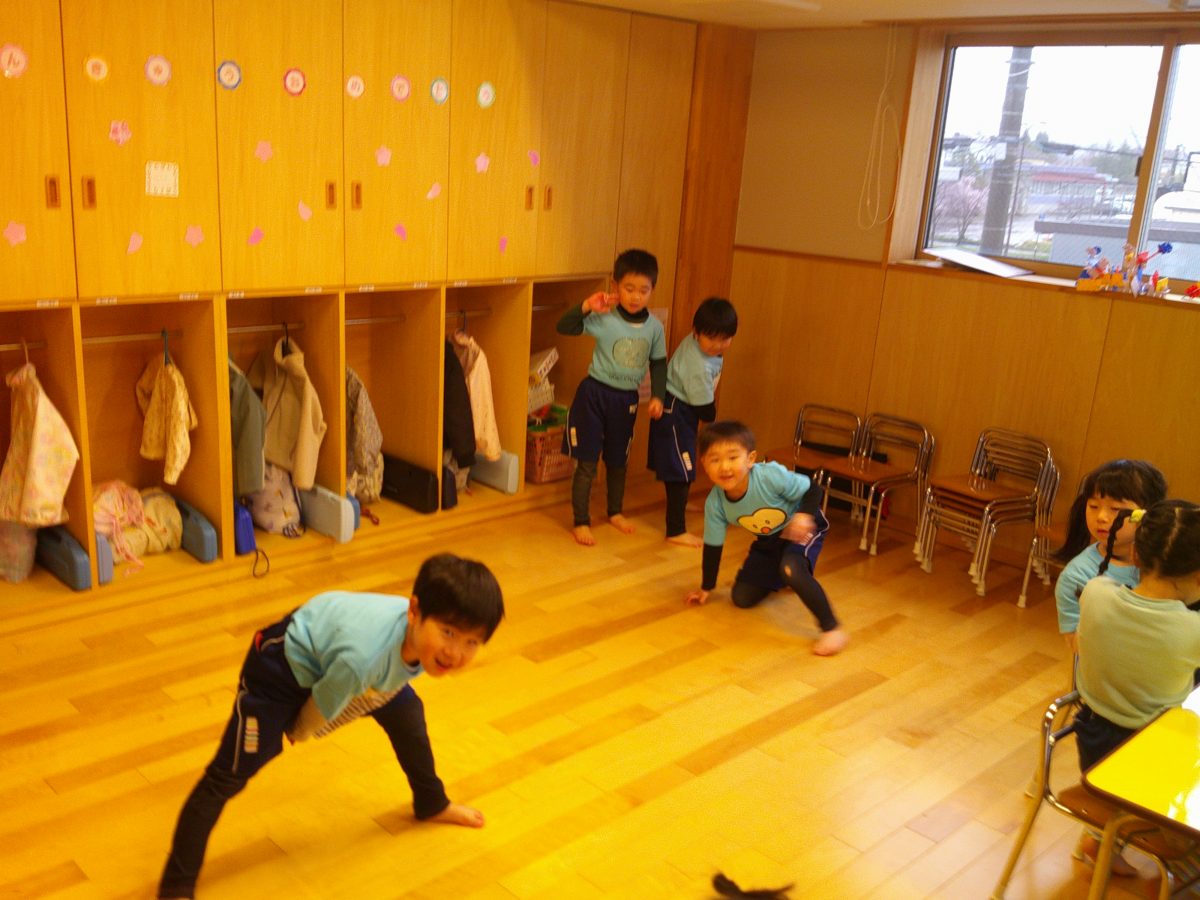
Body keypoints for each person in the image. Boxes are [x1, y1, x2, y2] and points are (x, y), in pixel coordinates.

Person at [157, 554, 504, 899]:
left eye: (471, 642)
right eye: (448, 632)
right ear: (414, 611)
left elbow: (364, 686)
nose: (455, 652)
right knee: (229, 774)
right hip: (280, 670)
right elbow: (322, 707)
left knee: (408, 713)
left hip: (335, 663)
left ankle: (431, 802)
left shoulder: (414, 643)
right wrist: (296, 730)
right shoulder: (363, 659)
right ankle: (176, 885)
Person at [1072, 501, 1200, 869]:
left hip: (1093, 744)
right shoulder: (1192, 630)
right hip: (1151, 756)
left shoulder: (1095, 592)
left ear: (1135, 553)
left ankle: (1102, 839)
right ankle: (1182, 854)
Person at [685, 420, 848, 656]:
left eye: (733, 457)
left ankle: (832, 628)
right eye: (715, 460)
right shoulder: (715, 503)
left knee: (792, 568)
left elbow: (813, 489)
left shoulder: (769, 475)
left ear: (750, 459)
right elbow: (713, 545)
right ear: (704, 465)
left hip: (803, 527)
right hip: (768, 541)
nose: (725, 467)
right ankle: (785, 577)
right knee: (741, 597)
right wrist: (706, 587)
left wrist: (803, 516)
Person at [557, 248, 667, 546]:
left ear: (652, 290)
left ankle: (615, 511)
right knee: (587, 462)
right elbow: (564, 326)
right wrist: (586, 306)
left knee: (618, 460)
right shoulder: (604, 317)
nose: (635, 296)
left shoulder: (654, 328)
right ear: (615, 285)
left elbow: (658, 363)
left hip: (626, 400)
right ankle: (581, 520)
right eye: (629, 288)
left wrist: (658, 396)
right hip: (593, 395)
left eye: (643, 290)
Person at [647, 297, 738, 547]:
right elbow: (705, 409)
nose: (717, 345)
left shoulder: (698, 344)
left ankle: (681, 504)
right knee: (682, 469)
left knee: (681, 466)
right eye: (712, 338)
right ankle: (675, 530)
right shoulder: (698, 363)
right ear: (696, 332)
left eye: (725, 339)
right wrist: (714, 422)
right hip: (677, 412)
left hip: (680, 408)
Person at [1053, 459, 1167, 653]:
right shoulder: (1077, 576)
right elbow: (1076, 644)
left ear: (1149, 513)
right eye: (1093, 506)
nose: (1101, 517)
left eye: (1115, 509)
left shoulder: (1170, 563)